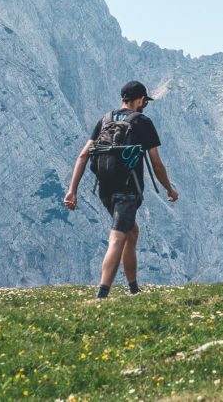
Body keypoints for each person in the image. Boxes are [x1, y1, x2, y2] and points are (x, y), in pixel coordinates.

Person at [64, 80, 178, 298]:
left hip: (105, 190)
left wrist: (72, 190)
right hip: (127, 190)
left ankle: (134, 290)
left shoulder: (105, 120)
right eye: (145, 102)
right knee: (117, 238)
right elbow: (157, 164)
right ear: (141, 100)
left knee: (131, 232)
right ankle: (101, 295)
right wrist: (169, 190)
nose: (144, 105)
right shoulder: (142, 122)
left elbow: (83, 155)